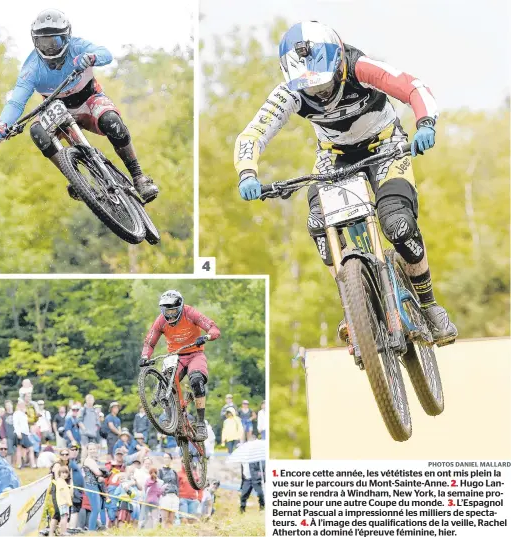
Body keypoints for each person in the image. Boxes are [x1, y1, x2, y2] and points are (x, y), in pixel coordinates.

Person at [234, 21, 458, 345]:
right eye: (310, 88)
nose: (320, 94)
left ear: (338, 61)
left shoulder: (361, 67)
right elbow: (252, 134)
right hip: (335, 156)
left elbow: (413, 87)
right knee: (317, 222)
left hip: (385, 146)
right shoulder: (289, 93)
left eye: (324, 82)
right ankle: (353, 304)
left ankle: (429, 304)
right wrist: (247, 173)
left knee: (397, 224)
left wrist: (425, 124)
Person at [0, 9, 158, 203]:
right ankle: (77, 180)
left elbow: (106, 54)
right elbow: (16, 102)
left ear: (66, 37)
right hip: (55, 109)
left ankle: (138, 177)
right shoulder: (31, 68)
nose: (50, 48)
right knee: (37, 131)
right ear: (35, 41)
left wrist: (92, 58)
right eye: (44, 42)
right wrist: (2, 124)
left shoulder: (78, 46)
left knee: (112, 121)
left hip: (89, 100)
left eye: (55, 41)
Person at [141, 290, 221, 441]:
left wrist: (207, 336)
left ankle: (201, 423)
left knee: (196, 380)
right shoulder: (160, 321)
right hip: (175, 356)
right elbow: (150, 341)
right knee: (165, 383)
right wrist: (145, 356)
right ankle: (170, 416)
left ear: (180, 307)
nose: (170, 315)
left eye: (173, 310)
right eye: (167, 311)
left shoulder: (190, 313)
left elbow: (213, 328)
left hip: (195, 354)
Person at [82, 442, 106, 531]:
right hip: (90, 486)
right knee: (95, 509)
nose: (92, 450)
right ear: (87, 450)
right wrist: (105, 473)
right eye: (90, 449)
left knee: (97, 509)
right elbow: (98, 473)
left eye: (94, 448)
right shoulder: (88, 460)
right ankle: (91, 531)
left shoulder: (93, 460)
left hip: (94, 485)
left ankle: (93, 529)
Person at [158, 452, 179, 528]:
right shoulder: (160, 471)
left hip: (174, 496)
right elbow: (158, 484)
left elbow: (177, 484)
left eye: (168, 458)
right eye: (165, 457)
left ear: (171, 459)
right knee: (165, 519)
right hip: (165, 496)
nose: (166, 459)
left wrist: (177, 495)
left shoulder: (174, 472)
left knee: (171, 520)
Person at [13, 401, 36, 469]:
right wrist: (18, 433)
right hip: (20, 433)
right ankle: (25, 464)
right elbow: (16, 424)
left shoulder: (24, 414)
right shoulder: (17, 413)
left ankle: (23, 464)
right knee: (23, 449)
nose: (23, 406)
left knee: (23, 450)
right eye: (21, 405)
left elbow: (25, 425)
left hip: (25, 433)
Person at [68, 445, 85, 531]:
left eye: (76, 449)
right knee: (74, 508)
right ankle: (71, 528)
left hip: (80, 489)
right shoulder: (68, 461)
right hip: (73, 489)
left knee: (78, 508)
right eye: (72, 449)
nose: (74, 451)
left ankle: (74, 527)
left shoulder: (75, 461)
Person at [78, 394, 99, 462]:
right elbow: (79, 421)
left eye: (91, 399)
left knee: (93, 449)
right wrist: (84, 429)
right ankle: (83, 462)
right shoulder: (83, 409)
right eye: (88, 400)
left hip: (92, 433)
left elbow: (97, 422)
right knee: (84, 448)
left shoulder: (95, 411)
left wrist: (95, 430)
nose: (90, 401)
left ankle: (93, 462)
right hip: (85, 433)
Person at [56, 465, 73, 535]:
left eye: (66, 473)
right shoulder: (60, 481)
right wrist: (66, 500)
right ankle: (63, 532)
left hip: (65, 502)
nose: (64, 474)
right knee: (64, 518)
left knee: (64, 517)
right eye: (63, 473)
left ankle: (63, 532)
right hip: (63, 502)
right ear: (59, 473)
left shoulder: (63, 481)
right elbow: (62, 491)